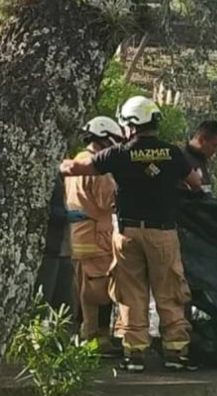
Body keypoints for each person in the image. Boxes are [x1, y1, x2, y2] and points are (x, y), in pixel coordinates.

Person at [60, 96, 202, 372]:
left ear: (131, 125)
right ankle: (176, 353)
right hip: (163, 233)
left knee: (130, 292)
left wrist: (60, 161)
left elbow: (76, 168)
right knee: (169, 290)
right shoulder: (172, 152)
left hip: (127, 233)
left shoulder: (119, 153)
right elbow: (195, 184)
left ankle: (134, 354)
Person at [64, 116, 124, 357]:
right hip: (98, 238)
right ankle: (97, 340)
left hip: (78, 236)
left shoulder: (77, 160)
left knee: (82, 289)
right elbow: (109, 201)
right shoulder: (98, 169)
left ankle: (84, 336)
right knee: (100, 292)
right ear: (105, 138)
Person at [35, 173, 82, 312]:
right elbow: (40, 210)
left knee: (64, 304)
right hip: (49, 248)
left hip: (62, 248)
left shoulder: (55, 173)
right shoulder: (42, 173)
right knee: (43, 300)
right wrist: (65, 215)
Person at [182, 120, 217, 195]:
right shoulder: (180, 160)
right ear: (201, 140)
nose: (216, 150)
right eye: (214, 145)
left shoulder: (202, 160)